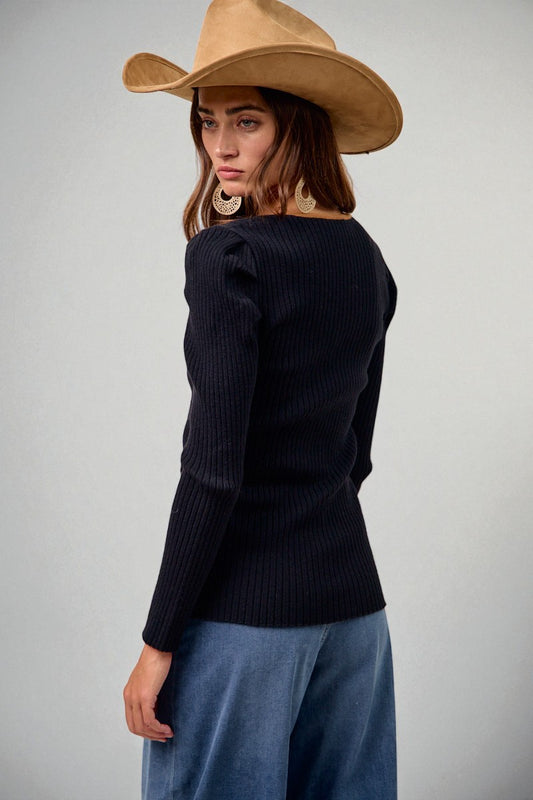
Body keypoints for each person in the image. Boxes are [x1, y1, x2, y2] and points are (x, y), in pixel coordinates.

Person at [121, 1, 402, 798]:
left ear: (298, 125)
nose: (220, 147)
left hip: (245, 622)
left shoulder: (228, 254)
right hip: (354, 616)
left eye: (247, 121)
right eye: (209, 122)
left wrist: (157, 641)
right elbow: (357, 454)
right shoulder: (361, 254)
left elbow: (213, 470)